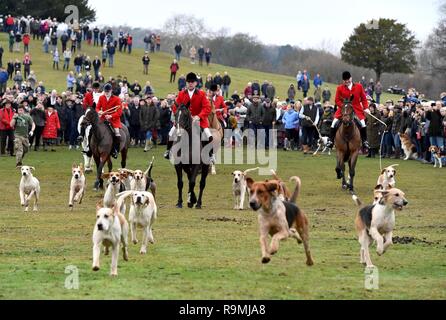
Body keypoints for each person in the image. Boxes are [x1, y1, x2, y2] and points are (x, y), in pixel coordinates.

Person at [164, 72, 212, 161]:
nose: (190, 83)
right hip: (183, 121)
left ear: (195, 83)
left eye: (192, 82)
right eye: (188, 82)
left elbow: (207, 107)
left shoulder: (201, 94)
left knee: (208, 135)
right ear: (186, 83)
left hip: (198, 120)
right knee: (171, 132)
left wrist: (198, 116)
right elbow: (175, 107)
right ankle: (168, 151)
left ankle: (210, 155)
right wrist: (179, 116)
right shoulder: (181, 94)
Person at [326, 71, 370, 151]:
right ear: (343, 80)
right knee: (334, 122)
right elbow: (337, 100)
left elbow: (364, 99)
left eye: (348, 79)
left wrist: (366, 108)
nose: (347, 81)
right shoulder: (340, 88)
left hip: (356, 109)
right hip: (343, 109)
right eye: (345, 80)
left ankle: (364, 141)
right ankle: (331, 141)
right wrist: (343, 106)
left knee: (363, 123)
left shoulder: (359, 86)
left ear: (351, 78)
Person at [96, 83, 123, 158]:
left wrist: (111, 116)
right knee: (93, 129)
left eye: (108, 92)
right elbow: (97, 107)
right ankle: (91, 147)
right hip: (103, 118)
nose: (106, 93)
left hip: (114, 120)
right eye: (105, 91)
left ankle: (115, 150)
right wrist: (99, 111)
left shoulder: (117, 99)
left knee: (117, 133)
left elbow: (119, 112)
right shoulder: (101, 97)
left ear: (111, 91)